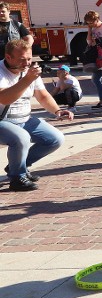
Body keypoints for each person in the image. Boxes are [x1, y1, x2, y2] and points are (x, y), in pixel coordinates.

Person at [0, 40, 73, 191]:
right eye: (21, 60)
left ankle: (18, 166)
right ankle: (17, 178)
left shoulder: (30, 71)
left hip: (24, 119)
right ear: (8, 57)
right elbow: (4, 98)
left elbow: (43, 96)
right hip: (3, 121)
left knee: (55, 139)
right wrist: (27, 79)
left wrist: (57, 111)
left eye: (29, 59)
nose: (26, 63)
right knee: (21, 138)